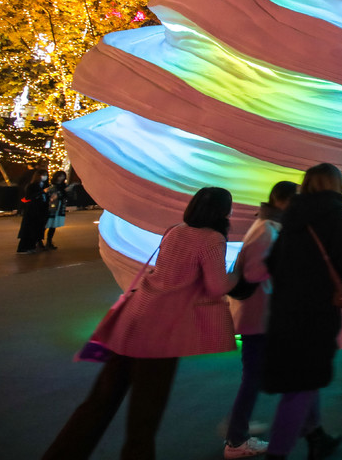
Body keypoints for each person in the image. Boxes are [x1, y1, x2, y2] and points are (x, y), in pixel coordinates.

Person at [43, 187, 239, 460]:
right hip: (161, 330)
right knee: (146, 411)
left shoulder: (176, 230)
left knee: (101, 399)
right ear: (223, 211)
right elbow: (217, 286)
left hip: (135, 316)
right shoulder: (212, 239)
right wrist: (239, 273)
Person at [262, 163, 342, 460]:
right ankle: (277, 453)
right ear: (336, 184)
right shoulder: (335, 215)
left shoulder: (291, 215)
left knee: (302, 378)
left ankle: (315, 435)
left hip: (285, 309)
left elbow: (271, 263)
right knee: (303, 384)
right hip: (316, 312)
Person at [222, 180, 296, 459]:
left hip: (259, 314)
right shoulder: (266, 230)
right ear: (285, 202)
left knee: (257, 375)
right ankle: (236, 439)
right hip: (258, 315)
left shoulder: (266, 226)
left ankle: (237, 426)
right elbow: (254, 273)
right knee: (254, 377)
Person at [16, 169, 49, 254]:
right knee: (29, 230)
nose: (45, 177)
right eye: (43, 175)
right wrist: (42, 192)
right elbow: (29, 197)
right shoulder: (32, 186)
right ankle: (24, 248)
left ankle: (32, 246)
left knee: (36, 230)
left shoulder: (45, 185)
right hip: (33, 210)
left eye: (46, 175)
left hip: (41, 210)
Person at [44, 171, 69, 249]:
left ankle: (49, 241)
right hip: (52, 207)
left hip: (59, 207)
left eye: (63, 176)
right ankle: (40, 241)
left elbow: (66, 196)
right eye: (60, 176)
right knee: (47, 224)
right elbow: (50, 196)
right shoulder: (52, 186)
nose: (61, 178)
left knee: (53, 225)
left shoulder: (64, 186)